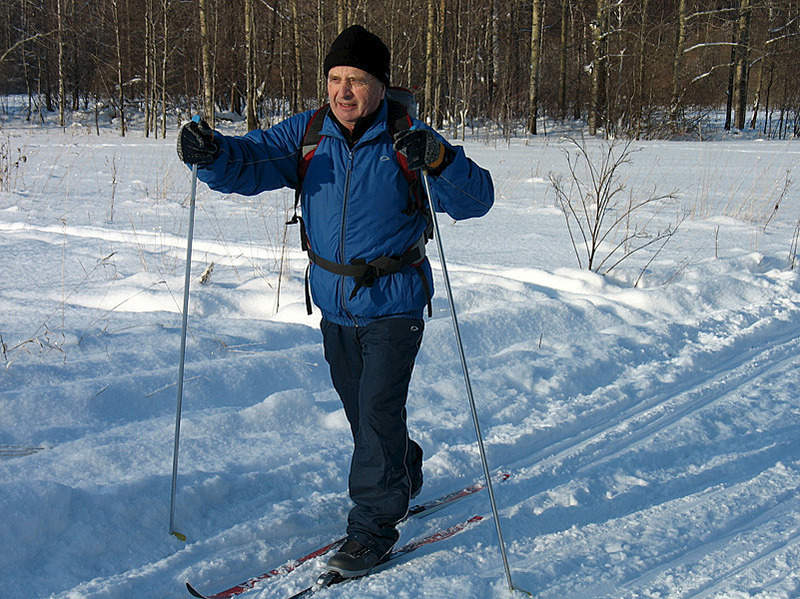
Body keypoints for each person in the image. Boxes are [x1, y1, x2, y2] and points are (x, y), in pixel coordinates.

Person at [176, 25, 494, 578]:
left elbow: (476, 199)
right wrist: (210, 152)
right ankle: (401, 467)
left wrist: (440, 159)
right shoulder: (309, 133)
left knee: (375, 412)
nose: (343, 92)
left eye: (356, 80)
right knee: (364, 413)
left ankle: (372, 528)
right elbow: (248, 161)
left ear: (380, 85)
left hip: (394, 303)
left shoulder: (408, 136)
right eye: (335, 79)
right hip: (334, 304)